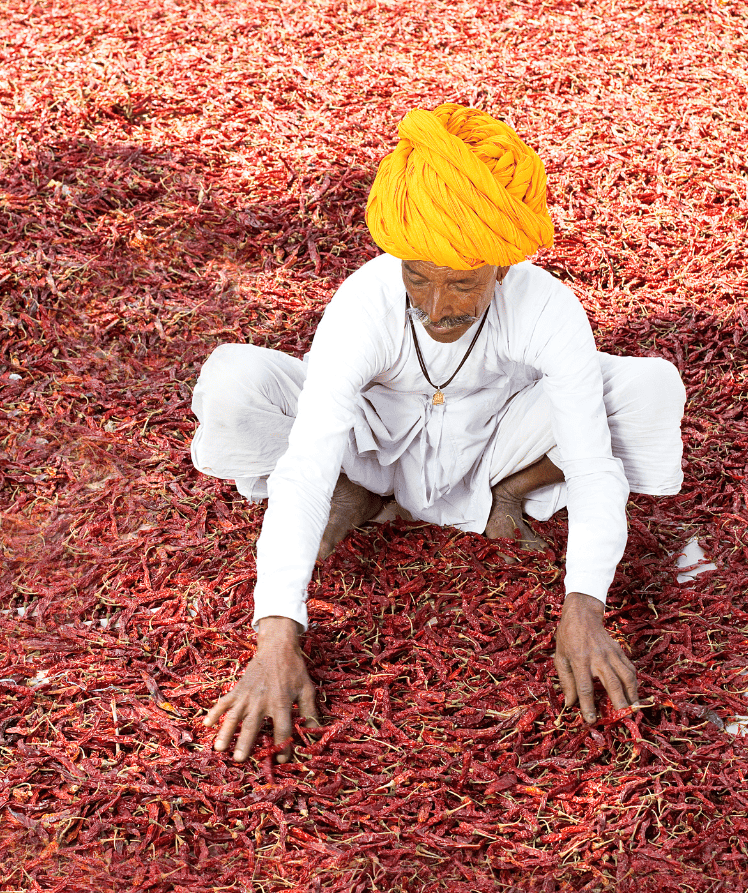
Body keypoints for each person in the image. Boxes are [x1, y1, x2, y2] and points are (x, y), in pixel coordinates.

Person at [191, 104, 685, 763]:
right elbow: (307, 458)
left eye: (461, 284)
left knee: (650, 389)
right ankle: (363, 492)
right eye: (417, 276)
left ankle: (509, 494)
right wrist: (277, 636)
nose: (435, 308)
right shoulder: (365, 305)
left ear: (503, 268)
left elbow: (594, 465)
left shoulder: (544, 307)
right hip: (371, 440)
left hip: (489, 449)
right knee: (231, 381)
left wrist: (584, 605)